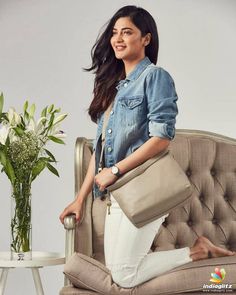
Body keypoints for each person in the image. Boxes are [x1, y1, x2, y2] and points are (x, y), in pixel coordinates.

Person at [60, 5, 235, 288]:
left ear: (146, 39)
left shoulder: (155, 77)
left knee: (124, 275)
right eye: (115, 33)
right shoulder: (114, 87)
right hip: (116, 194)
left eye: (127, 32)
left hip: (144, 188)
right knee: (119, 270)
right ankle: (198, 250)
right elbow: (101, 149)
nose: (118, 38)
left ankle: (198, 251)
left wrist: (115, 170)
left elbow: (162, 137)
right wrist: (80, 199)